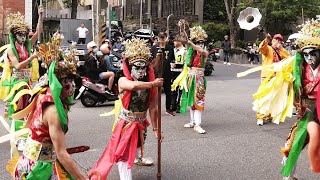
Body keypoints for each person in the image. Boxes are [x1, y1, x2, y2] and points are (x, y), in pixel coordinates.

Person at [6, 33, 88, 180]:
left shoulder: (44, 91)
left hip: (36, 163)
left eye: (73, 79)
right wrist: (83, 178)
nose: (72, 85)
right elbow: (61, 153)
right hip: (38, 170)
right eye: (66, 80)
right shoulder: (54, 110)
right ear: (56, 81)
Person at [89, 38, 163, 180]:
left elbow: (153, 107)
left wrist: (156, 129)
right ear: (130, 67)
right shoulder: (123, 80)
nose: (140, 71)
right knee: (123, 153)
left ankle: (136, 158)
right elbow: (133, 87)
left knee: (136, 145)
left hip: (141, 123)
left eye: (143, 68)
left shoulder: (150, 85)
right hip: (126, 123)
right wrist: (153, 84)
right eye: (137, 67)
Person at [280, 20, 320, 179]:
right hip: (308, 111)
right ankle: (288, 176)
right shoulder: (300, 68)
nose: (309, 57)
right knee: (293, 144)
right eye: (306, 54)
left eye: (313, 53)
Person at [172, 25, 209, 134]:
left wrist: (191, 44)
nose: (200, 44)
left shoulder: (204, 52)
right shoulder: (190, 51)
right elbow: (187, 60)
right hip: (190, 78)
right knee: (191, 101)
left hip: (199, 79)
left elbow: (201, 51)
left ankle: (198, 124)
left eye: (202, 42)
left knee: (198, 101)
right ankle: (192, 121)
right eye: (198, 42)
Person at [256, 33, 291, 126]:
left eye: (279, 41)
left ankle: (270, 115)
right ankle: (260, 117)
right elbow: (262, 48)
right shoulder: (268, 49)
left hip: (278, 77)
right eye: (276, 40)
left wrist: (282, 49)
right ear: (273, 41)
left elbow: (289, 59)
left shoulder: (281, 51)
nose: (277, 42)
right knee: (264, 97)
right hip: (267, 76)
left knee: (274, 97)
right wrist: (266, 40)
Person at [150, 32, 175, 116]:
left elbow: (172, 59)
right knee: (155, 91)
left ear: (166, 38)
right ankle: (155, 108)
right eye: (160, 38)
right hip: (156, 73)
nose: (162, 40)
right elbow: (150, 60)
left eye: (163, 38)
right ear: (158, 38)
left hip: (167, 72)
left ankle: (168, 108)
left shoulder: (170, 48)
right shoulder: (154, 48)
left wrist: (173, 64)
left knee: (168, 91)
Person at [171, 36, 187, 113]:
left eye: (175, 41)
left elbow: (186, 63)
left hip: (181, 72)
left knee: (180, 90)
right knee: (173, 89)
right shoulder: (172, 50)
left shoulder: (184, 51)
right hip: (173, 72)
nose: (174, 42)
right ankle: (173, 104)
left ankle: (179, 105)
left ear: (180, 42)